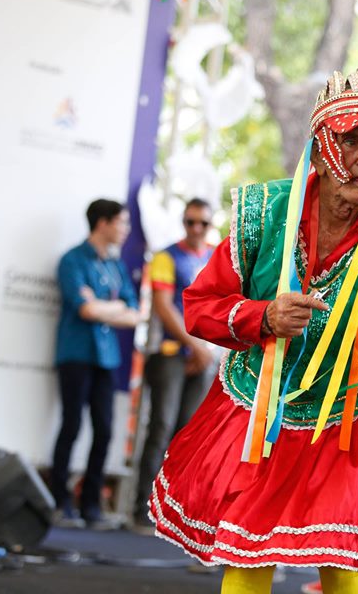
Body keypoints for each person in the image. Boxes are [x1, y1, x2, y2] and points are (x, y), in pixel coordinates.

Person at [147, 69, 358, 593]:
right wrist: (263, 316)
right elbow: (199, 307)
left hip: (348, 425)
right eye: (352, 142)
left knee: (347, 565)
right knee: (247, 559)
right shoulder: (264, 213)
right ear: (322, 146)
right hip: (257, 416)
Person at [51, 199, 142, 528]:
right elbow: (84, 309)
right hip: (76, 354)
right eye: (121, 222)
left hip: (106, 357)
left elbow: (135, 313)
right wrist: (113, 307)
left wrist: (103, 306)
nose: (125, 229)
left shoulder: (115, 265)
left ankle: (90, 504)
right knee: (72, 425)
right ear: (102, 223)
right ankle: (60, 501)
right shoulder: (72, 260)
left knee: (104, 430)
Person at [132, 198, 219, 529]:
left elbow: (222, 304)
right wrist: (195, 346)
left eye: (202, 223)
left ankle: (174, 513)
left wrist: (206, 350)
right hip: (170, 353)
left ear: (210, 225)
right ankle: (143, 507)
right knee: (161, 427)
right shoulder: (166, 256)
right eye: (189, 222)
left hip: (204, 356)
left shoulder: (216, 256)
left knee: (189, 436)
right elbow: (163, 306)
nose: (196, 228)